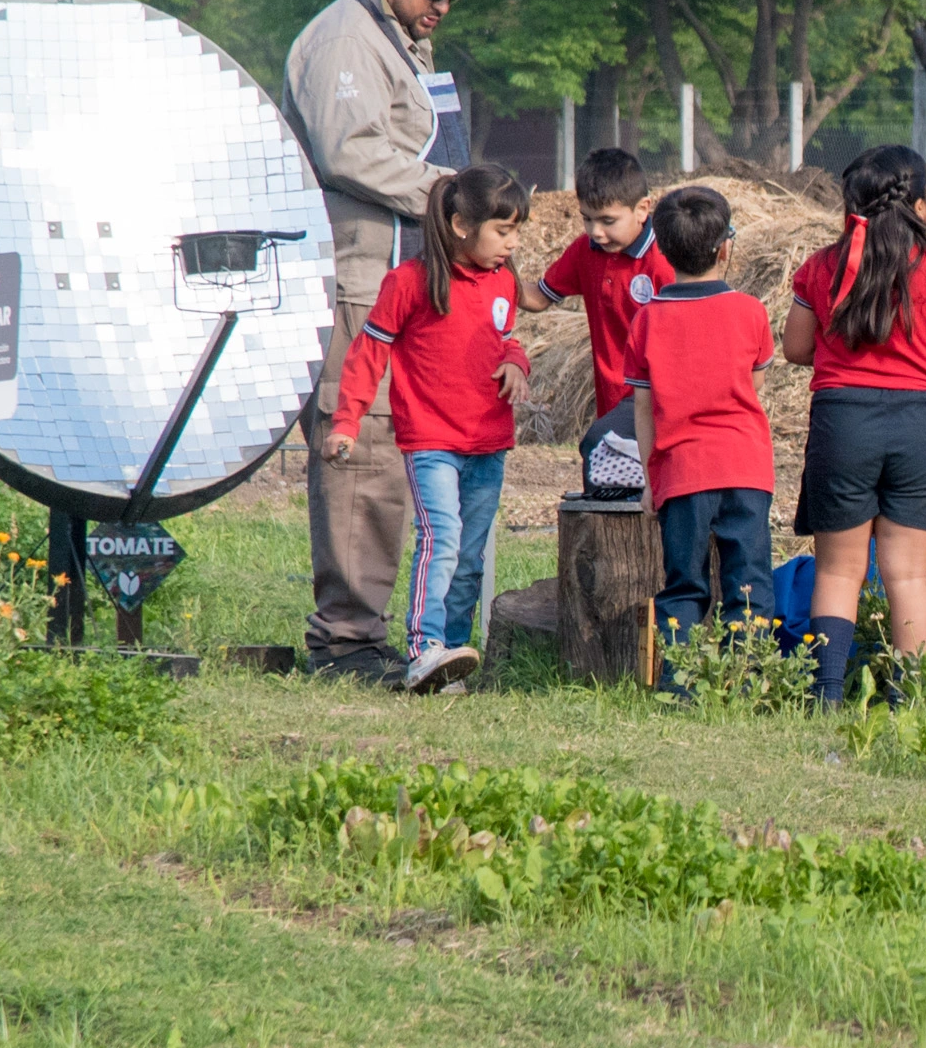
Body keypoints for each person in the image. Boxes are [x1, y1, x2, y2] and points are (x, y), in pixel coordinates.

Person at [281, 0, 485, 685]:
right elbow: (349, 150)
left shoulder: (398, 40)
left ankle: (371, 630)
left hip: (399, 280)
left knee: (394, 451)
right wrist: (455, 194)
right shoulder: (345, 39)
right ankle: (345, 640)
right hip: (356, 279)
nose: (443, 3)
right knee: (358, 448)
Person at [783, 145, 926, 703]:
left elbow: (796, 348)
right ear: (925, 202)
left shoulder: (822, 266)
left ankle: (824, 695)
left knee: (839, 572)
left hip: (842, 422)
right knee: (909, 576)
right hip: (919, 426)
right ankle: (907, 696)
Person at [325, 164, 532, 695]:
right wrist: (347, 420)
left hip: (490, 442)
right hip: (431, 441)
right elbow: (369, 352)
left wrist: (517, 363)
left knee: (469, 557)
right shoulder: (410, 282)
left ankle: (452, 660)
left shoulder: (503, 283)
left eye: (516, 233)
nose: (511, 244)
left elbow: (505, 337)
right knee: (441, 539)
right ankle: (423, 649)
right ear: (462, 225)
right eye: (502, 231)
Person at [627, 185, 778, 653]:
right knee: (749, 584)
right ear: (725, 246)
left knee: (684, 585)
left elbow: (643, 408)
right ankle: (750, 677)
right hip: (745, 468)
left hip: (681, 471)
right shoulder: (751, 311)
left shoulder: (647, 320)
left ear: (664, 249)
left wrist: (652, 478)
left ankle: (682, 683)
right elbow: (755, 385)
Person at [524, 147, 675, 420]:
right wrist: (493, 273)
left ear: (642, 209)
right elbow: (539, 297)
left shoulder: (664, 261)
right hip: (611, 411)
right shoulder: (586, 250)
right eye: (587, 219)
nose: (596, 231)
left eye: (608, 221)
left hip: (658, 410)